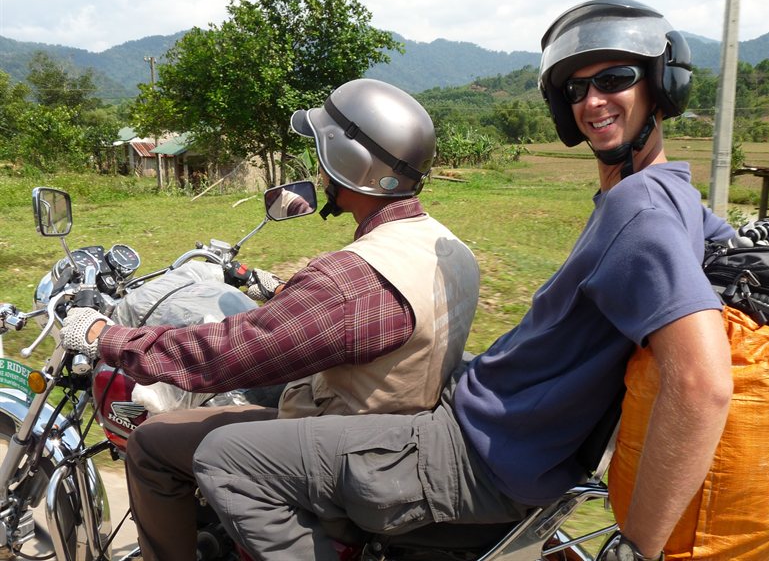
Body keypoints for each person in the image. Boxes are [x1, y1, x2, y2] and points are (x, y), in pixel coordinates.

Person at [191, 0, 734, 561]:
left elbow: (702, 384)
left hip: (474, 453)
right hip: (490, 427)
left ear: (661, 85)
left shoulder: (641, 210)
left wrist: (636, 550)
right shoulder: (675, 198)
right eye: (575, 89)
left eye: (615, 79)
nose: (593, 101)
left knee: (226, 459)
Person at [60, 78, 480, 561]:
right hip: (395, 432)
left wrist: (105, 336)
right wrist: (278, 289)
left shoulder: (351, 280)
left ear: (348, 163)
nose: (319, 167)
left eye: (322, 151)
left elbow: (221, 357)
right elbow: (372, 321)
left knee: (153, 445)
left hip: (340, 448)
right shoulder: (446, 246)